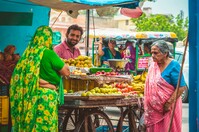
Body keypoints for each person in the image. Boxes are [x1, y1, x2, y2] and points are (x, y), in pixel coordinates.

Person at [9, 26, 70, 131]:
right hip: (46, 97)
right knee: (45, 126)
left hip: (28, 96)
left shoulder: (28, 53)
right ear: (49, 38)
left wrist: (42, 83)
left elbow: (24, 77)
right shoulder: (48, 53)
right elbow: (66, 72)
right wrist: (49, 85)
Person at [144, 40, 187, 132]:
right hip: (153, 110)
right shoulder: (153, 65)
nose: (152, 55)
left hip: (168, 108)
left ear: (165, 53)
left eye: (156, 53)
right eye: (152, 53)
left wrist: (168, 103)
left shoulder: (174, 65)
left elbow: (181, 87)